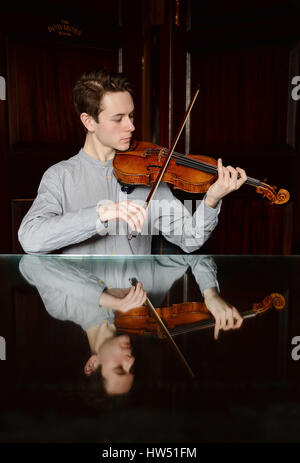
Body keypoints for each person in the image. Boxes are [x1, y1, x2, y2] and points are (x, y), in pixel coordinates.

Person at [18, 69, 247, 255]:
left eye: (131, 115)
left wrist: (212, 199)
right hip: (84, 309)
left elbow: (190, 238)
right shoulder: (60, 176)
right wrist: (101, 213)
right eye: (118, 119)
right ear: (89, 122)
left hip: (138, 307)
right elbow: (31, 239)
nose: (131, 126)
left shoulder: (150, 174)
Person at [19, 254, 243, 394]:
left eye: (119, 368)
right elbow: (193, 255)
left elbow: (30, 263)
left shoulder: (62, 306)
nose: (131, 360)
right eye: (132, 368)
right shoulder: (146, 300)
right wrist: (211, 294)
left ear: (92, 364)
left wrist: (105, 297)